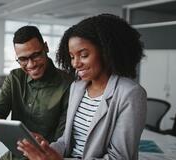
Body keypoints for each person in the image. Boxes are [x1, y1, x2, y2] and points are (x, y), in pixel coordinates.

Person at [17, 13, 147, 160]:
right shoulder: (77, 87)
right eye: (72, 56)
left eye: (83, 55)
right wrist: (46, 149)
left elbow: (120, 157)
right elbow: (66, 142)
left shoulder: (130, 94)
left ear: (106, 52)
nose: (75, 64)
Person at [0, 26, 73, 160]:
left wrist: (44, 143)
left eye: (36, 55)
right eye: (23, 59)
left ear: (46, 47)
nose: (31, 64)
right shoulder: (15, 77)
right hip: (15, 154)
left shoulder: (68, 85)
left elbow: (63, 141)